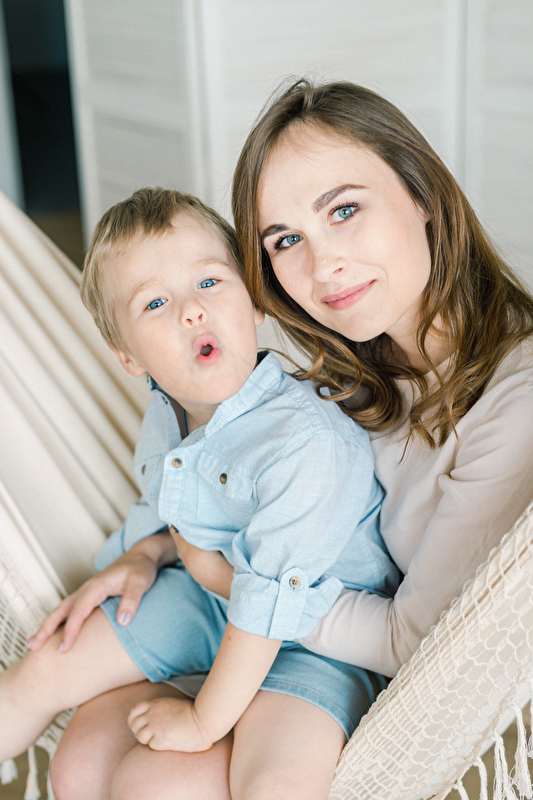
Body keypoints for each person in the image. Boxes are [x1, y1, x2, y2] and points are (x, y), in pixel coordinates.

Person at [51, 79, 533, 800]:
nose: (321, 264)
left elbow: (413, 642)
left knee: (156, 783)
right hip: (269, 627)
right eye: (285, 240)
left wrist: (223, 576)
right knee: (85, 754)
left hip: (388, 685)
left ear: (421, 193)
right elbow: (255, 491)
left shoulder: (513, 402)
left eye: (343, 210)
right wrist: (152, 550)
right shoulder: (350, 366)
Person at [0, 187, 399, 799]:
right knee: (46, 674)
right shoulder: (168, 414)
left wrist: (202, 722)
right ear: (128, 356)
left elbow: (268, 605)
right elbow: (168, 501)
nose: (191, 311)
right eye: (155, 302)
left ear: (255, 302)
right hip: (206, 600)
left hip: (318, 641)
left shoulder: (306, 442)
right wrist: (145, 551)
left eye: (209, 282)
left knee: (275, 783)